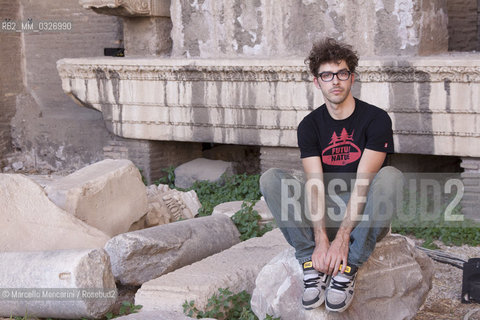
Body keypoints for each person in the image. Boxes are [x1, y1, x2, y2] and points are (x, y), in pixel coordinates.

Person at [259, 38, 403, 313]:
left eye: (342, 73)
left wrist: (342, 240)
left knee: (391, 177)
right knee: (271, 178)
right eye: (327, 75)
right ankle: (310, 262)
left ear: (352, 78)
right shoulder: (309, 126)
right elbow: (314, 185)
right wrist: (322, 240)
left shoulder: (376, 119)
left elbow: (364, 184)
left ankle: (349, 266)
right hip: (324, 213)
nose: (335, 81)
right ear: (317, 81)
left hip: (363, 218)